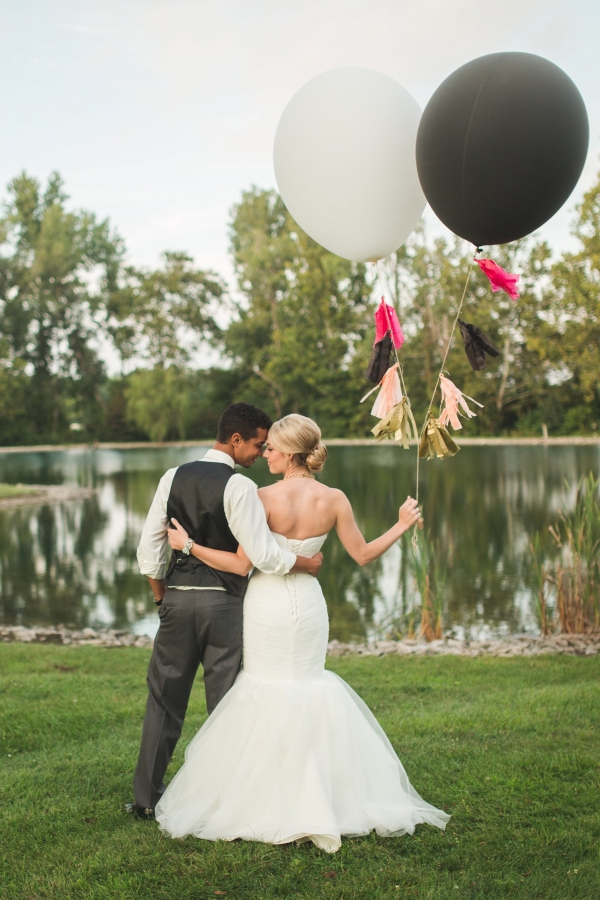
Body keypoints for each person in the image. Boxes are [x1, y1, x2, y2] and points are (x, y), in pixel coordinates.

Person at [155, 414, 450, 852]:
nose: (265, 454)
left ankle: (264, 797)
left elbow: (242, 564)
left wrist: (189, 547)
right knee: (307, 685)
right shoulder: (333, 498)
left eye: (271, 448)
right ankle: (320, 796)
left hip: (267, 605)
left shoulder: (259, 496)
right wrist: (402, 523)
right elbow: (364, 555)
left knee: (265, 688)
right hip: (309, 606)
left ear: (290, 452)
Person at [128, 403, 323, 820]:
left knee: (163, 700)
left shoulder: (171, 477)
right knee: (227, 705)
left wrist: (162, 598)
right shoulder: (240, 488)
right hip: (224, 605)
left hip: (178, 601)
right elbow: (262, 555)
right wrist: (304, 563)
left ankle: (145, 799)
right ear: (235, 440)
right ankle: (229, 798)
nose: (259, 453)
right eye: (257, 444)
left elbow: (149, 551)